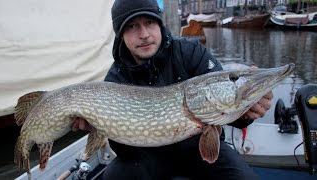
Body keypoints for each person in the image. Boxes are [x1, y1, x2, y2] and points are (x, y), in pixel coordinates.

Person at [72, 0, 273, 179]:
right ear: (121, 35)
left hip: (198, 149)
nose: (144, 34)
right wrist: (98, 124)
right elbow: (126, 149)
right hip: (146, 157)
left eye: (149, 22)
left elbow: (223, 103)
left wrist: (246, 112)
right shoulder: (115, 80)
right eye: (132, 26)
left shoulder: (191, 53)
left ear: (159, 24)